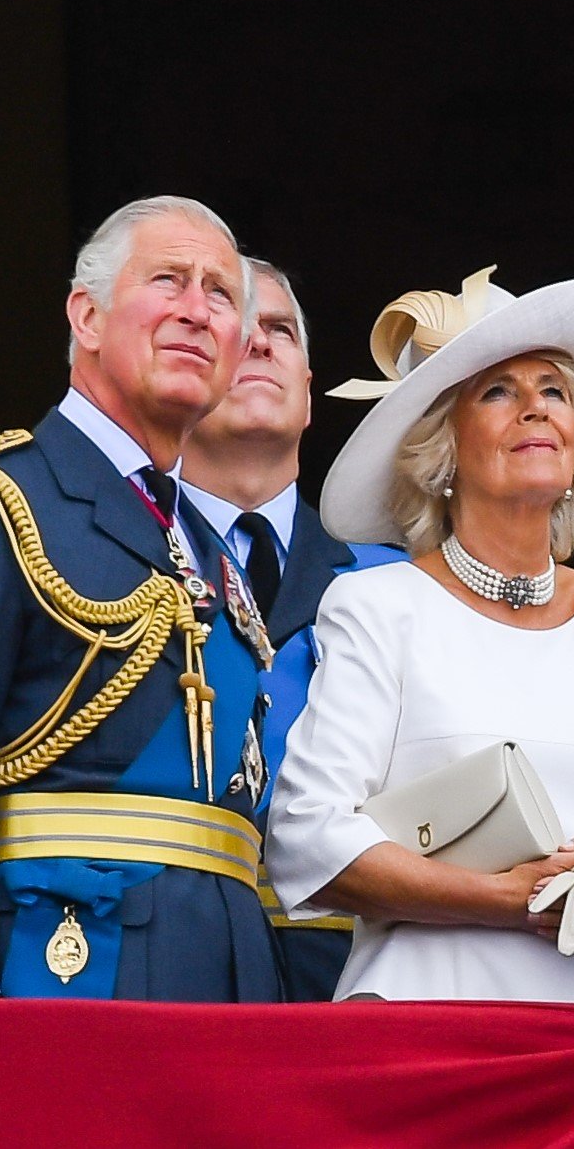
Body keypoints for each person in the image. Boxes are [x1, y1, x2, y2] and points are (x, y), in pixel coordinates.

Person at [264, 268, 574, 1002]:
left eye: (553, 390)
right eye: (497, 392)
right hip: (442, 1028)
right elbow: (309, 838)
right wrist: (513, 899)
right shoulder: (376, 607)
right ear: (442, 451)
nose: (534, 409)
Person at [0, 196, 279, 1000]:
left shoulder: (210, 545)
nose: (197, 310)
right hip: (58, 972)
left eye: (221, 294)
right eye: (169, 280)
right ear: (86, 316)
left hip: (229, 984)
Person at [180, 259, 408, 1001]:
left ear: (310, 395)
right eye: (234, 329)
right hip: (172, 965)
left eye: (279, 329)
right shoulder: (113, 560)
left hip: (360, 973)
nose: (259, 343)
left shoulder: (398, 584)